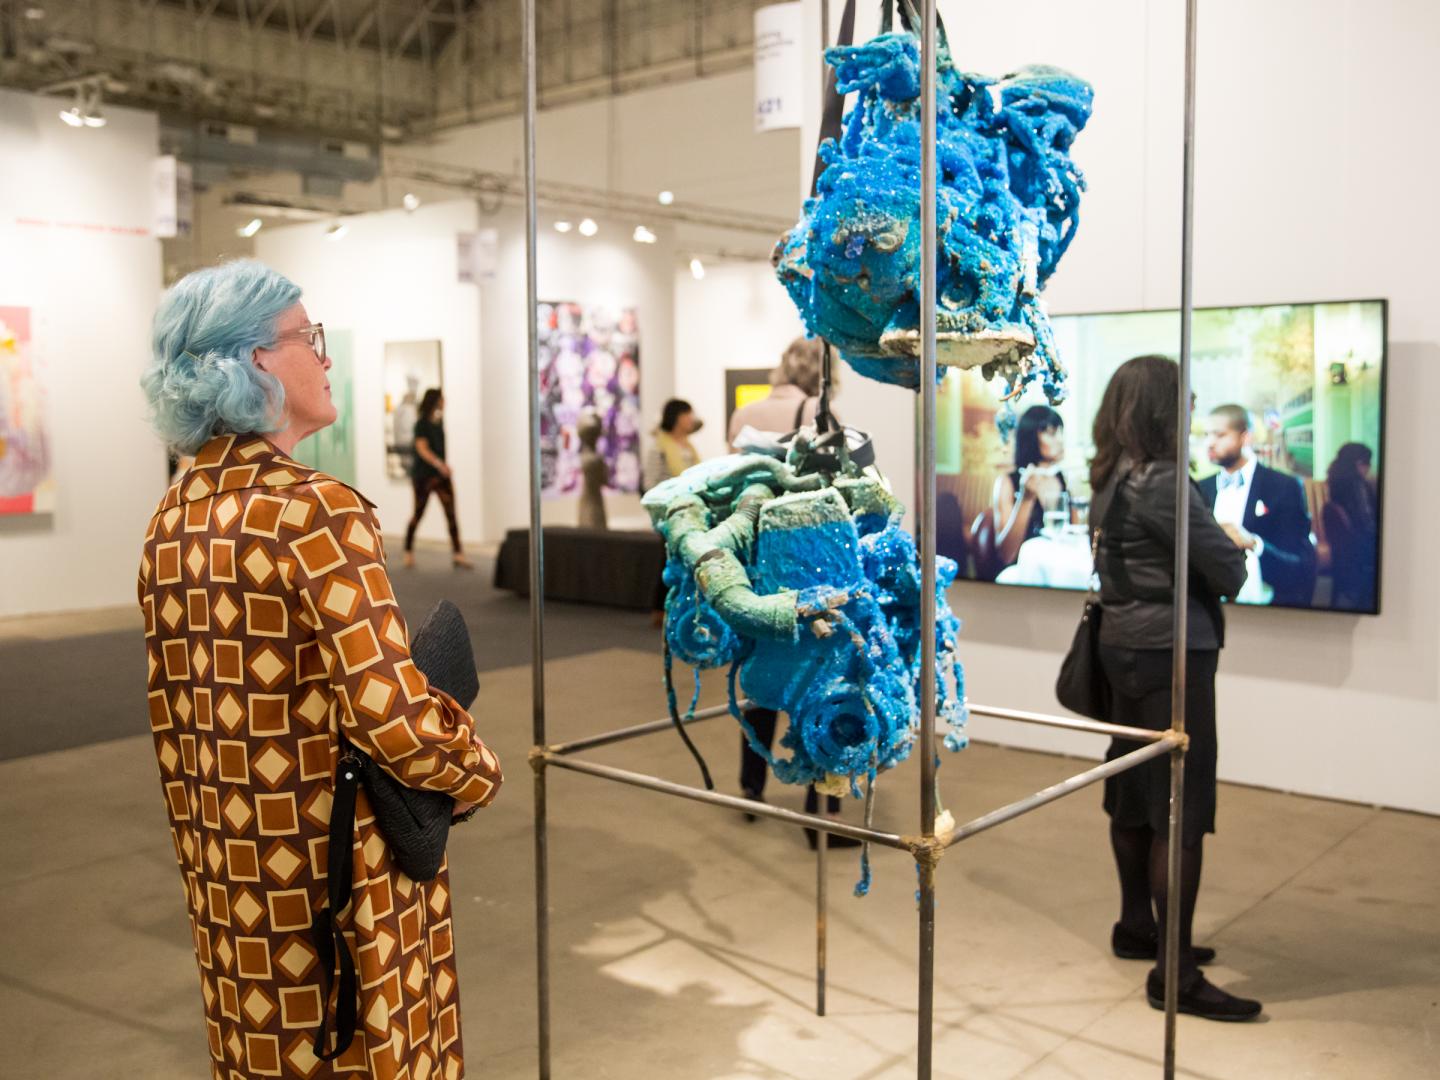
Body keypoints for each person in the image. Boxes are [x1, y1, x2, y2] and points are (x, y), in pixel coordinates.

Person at [138, 260, 504, 1076]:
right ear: (255, 361)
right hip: (338, 889)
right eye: (309, 336)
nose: (326, 357)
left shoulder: (175, 512)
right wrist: (478, 771)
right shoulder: (315, 512)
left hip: (234, 883)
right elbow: (396, 720)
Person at [1087, 355, 1261, 1022]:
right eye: (1183, 403)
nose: (1190, 415)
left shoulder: (1110, 472)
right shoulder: (1164, 481)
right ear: (1165, 410)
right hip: (1171, 657)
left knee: (1132, 789)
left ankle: (1138, 927)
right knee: (1178, 808)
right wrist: (1234, 545)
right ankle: (1175, 973)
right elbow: (1228, 573)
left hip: (1123, 650)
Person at [726, 336, 855, 848]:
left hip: (754, 564)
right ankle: (819, 813)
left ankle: (749, 791)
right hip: (807, 563)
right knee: (818, 682)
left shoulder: (744, 414)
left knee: (759, 678)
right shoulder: (819, 411)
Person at [1198, 404, 1317, 607]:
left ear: (1246, 437)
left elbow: (1301, 564)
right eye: (1207, 435)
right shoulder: (1201, 488)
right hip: (1208, 608)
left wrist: (1254, 544)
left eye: (1219, 435)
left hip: (1266, 609)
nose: (1209, 443)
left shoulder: (1284, 487)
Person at [988, 404, 1070, 571]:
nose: (1060, 440)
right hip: (1023, 574)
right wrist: (1026, 499)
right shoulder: (1007, 482)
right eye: (1052, 433)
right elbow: (1006, 554)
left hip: (1057, 569)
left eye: (1061, 432)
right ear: (1031, 437)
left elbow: (1074, 537)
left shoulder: (1061, 479)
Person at [403, 388, 472, 569]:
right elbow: (422, 448)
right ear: (435, 401)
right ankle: (408, 551)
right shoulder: (422, 424)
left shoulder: (439, 423)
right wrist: (440, 464)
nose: (445, 401)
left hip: (441, 476)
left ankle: (458, 553)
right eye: (442, 398)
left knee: (451, 514)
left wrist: (442, 468)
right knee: (418, 513)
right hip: (423, 477)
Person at [1323, 442, 1379, 611]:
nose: (1370, 469)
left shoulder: (1335, 482)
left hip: (1345, 550)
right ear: (1359, 463)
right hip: (1360, 548)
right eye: (1368, 464)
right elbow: (1368, 523)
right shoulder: (1357, 485)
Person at [642, 398, 702, 491]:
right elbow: (650, 483)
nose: (691, 418)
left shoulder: (689, 447)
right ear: (676, 417)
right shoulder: (658, 448)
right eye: (687, 414)